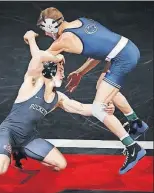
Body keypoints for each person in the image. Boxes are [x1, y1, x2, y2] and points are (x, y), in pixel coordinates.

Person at [0, 42, 115, 182]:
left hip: (28, 138)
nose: (63, 75)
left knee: (60, 165)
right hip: (8, 132)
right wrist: (45, 48)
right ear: (51, 72)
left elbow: (82, 109)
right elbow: (38, 58)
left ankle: (18, 151)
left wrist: (102, 108)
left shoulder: (58, 99)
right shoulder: (32, 84)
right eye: (61, 72)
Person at [24, 7, 148, 175]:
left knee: (98, 107)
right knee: (101, 86)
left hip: (122, 59)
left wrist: (31, 39)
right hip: (127, 47)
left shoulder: (63, 40)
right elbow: (100, 53)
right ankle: (136, 123)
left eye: (44, 30)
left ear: (50, 27)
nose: (46, 35)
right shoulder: (82, 21)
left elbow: (38, 60)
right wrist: (80, 73)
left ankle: (133, 148)